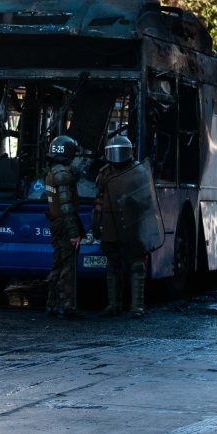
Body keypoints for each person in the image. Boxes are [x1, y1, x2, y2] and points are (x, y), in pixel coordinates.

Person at [92, 134, 147, 319]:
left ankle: (137, 306)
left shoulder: (138, 171)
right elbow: (98, 200)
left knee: (136, 266)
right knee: (113, 266)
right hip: (110, 225)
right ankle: (114, 304)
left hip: (131, 225)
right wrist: (96, 222)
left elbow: (146, 201)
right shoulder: (105, 173)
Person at [44, 134, 83, 319]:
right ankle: (67, 306)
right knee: (68, 266)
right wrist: (74, 233)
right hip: (64, 225)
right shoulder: (63, 175)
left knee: (57, 264)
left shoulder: (52, 172)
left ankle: (52, 303)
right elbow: (67, 207)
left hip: (55, 223)